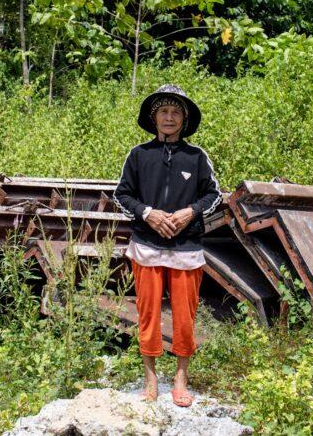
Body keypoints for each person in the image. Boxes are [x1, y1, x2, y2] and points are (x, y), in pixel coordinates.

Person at [114, 84, 221, 407]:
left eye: (176, 112)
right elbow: (122, 194)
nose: (170, 118)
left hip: (186, 248)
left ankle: (180, 377)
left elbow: (214, 195)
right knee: (147, 314)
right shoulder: (139, 155)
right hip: (146, 246)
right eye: (163, 112)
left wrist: (191, 212)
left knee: (185, 317)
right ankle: (150, 378)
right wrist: (148, 213)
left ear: (184, 120)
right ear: (153, 117)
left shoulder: (197, 156)